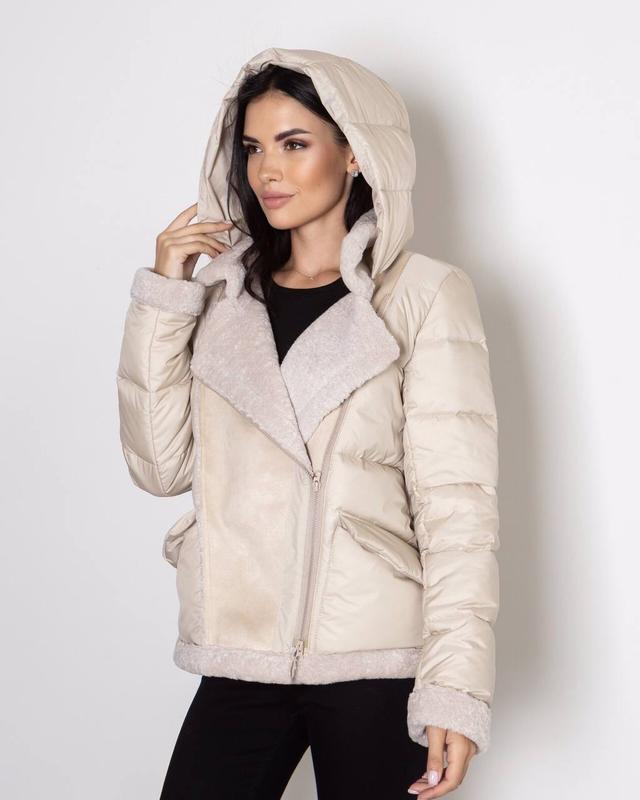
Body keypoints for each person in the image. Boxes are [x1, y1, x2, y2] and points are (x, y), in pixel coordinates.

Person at [116, 47, 500, 800]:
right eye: (253, 148)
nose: (268, 171)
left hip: (375, 659)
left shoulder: (422, 295)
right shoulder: (220, 300)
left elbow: (459, 510)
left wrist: (455, 690)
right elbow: (159, 469)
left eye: (294, 144)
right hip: (243, 652)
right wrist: (165, 297)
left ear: (355, 153)